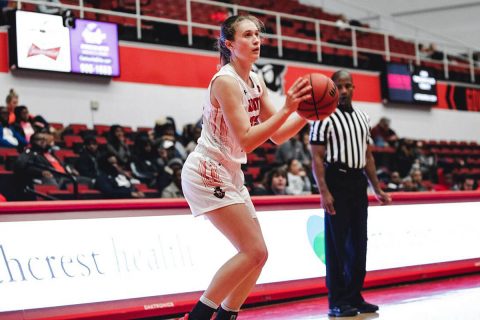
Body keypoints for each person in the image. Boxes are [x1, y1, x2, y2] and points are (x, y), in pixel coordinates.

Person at [180, 15, 311, 320]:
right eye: (248, 35)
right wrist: (288, 109)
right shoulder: (226, 81)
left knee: (259, 255)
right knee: (252, 251)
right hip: (207, 169)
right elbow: (249, 140)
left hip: (230, 172)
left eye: (258, 35)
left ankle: (228, 315)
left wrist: (306, 115)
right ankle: (197, 317)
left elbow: (277, 135)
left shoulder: (256, 80)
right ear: (229, 44)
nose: (256, 40)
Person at [309, 69, 391, 318]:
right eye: (339, 87)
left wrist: (376, 188)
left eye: (347, 86)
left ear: (353, 88)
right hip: (336, 179)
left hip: (357, 182)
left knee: (359, 242)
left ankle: (355, 295)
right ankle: (337, 300)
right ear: (332, 88)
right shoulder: (322, 117)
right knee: (336, 245)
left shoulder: (363, 117)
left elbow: (367, 156)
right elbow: (316, 157)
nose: (343, 91)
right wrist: (324, 191)